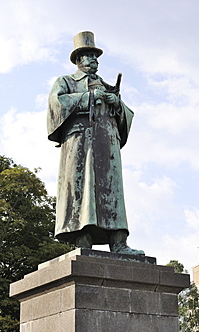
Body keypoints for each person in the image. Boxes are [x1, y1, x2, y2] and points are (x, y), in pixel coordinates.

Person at [47, 31, 144, 255]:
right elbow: (56, 105)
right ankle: (83, 240)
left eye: (96, 57)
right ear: (78, 60)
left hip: (107, 145)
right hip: (80, 144)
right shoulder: (66, 82)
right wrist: (88, 98)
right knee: (82, 192)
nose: (94, 61)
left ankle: (119, 242)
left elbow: (127, 115)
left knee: (112, 192)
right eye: (90, 56)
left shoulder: (107, 85)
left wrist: (117, 103)